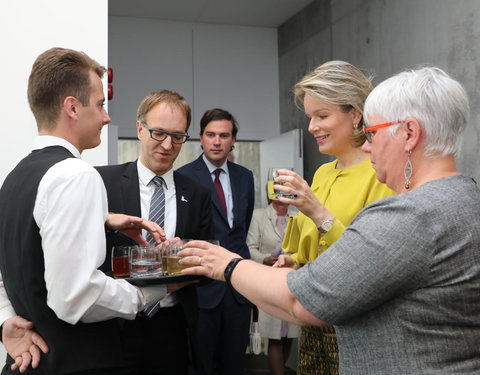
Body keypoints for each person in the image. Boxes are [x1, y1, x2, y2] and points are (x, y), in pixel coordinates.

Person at [179, 66, 480, 374]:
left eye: (373, 134)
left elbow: (307, 301)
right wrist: (294, 263)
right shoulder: (463, 196)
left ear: (409, 133)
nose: (366, 143)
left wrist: (226, 264)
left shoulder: (409, 213)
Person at [0, 47, 171, 374]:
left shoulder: (13, 179)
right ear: (73, 107)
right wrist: (155, 290)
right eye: (101, 104)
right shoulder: (76, 175)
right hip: (76, 363)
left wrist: (6, 321)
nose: (107, 117)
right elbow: (75, 297)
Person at [273, 61, 395, 374]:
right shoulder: (323, 172)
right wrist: (296, 261)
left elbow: (371, 261)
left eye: (322, 115)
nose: (312, 126)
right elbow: (312, 247)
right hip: (313, 317)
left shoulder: (380, 174)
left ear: (355, 114)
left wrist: (315, 209)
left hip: (356, 324)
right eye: (310, 117)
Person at [96, 89, 213, 374]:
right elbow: (85, 254)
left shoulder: (197, 193)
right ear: (139, 129)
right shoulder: (102, 181)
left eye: (177, 136)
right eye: (158, 133)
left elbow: (210, 267)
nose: (167, 144)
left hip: (172, 326)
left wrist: (181, 256)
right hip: (114, 324)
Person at [177, 108, 255, 375]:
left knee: (235, 365)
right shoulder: (184, 177)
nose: (217, 141)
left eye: (224, 135)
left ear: (233, 140)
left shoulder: (245, 177)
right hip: (202, 289)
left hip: (240, 289)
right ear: (200, 137)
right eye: (211, 135)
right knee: (202, 366)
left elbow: (240, 229)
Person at [247, 195, 299, 375]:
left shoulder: (297, 215)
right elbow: (250, 248)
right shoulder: (259, 215)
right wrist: (264, 259)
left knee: (289, 334)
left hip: (293, 282)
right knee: (274, 336)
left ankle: (282, 370)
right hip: (270, 281)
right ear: (270, 193)